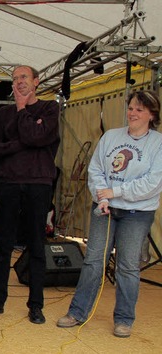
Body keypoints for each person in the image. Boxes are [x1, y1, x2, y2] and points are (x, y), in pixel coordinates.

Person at [57, 90, 162, 338]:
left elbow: (153, 184)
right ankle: (77, 312)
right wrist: (102, 197)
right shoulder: (111, 137)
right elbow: (95, 171)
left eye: (139, 109)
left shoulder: (157, 143)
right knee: (93, 261)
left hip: (137, 213)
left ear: (151, 115)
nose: (133, 113)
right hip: (105, 209)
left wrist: (114, 192)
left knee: (127, 266)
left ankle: (124, 319)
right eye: (131, 107)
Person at [0, 65, 59, 325]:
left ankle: (36, 305)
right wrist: (24, 142)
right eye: (14, 79)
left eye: (24, 77)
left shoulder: (49, 109)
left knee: (36, 245)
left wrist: (23, 111)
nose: (19, 82)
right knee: (3, 245)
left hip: (39, 183)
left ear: (36, 81)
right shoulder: (2, 114)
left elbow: (37, 135)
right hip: (9, 183)